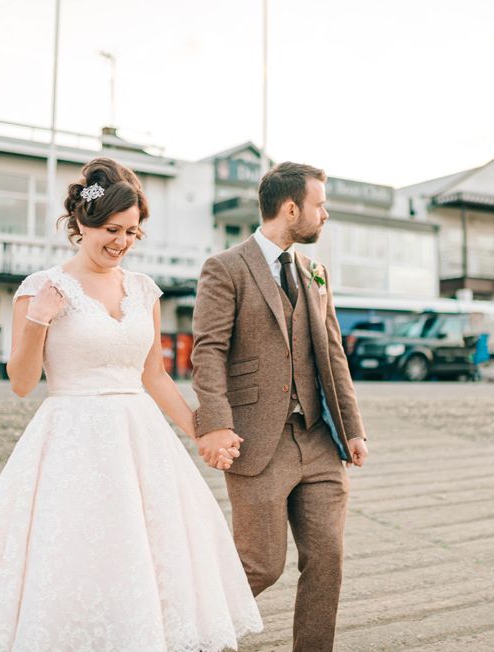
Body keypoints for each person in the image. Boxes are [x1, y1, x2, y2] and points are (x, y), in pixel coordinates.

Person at [0, 157, 262, 651]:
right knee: (72, 550)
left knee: (143, 553)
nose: (121, 241)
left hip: (141, 440)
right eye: (110, 229)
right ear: (80, 224)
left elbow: (156, 377)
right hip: (70, 437)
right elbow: (20, 383)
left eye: (132, 231)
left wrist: (201, 431)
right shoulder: (42, 287)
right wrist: (38, 318)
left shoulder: (144, 289)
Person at [191, 161, 369, 652]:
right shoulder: (225, 267)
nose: (324, 214)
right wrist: (215, 424)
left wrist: (353, 428)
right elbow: (207, 350)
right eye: (319, 205)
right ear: (291, 208)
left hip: (318, 440)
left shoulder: (315, 272)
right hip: (256, 440)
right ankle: (193, 633)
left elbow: (332, 352)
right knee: (260, 564)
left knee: (327, 560)